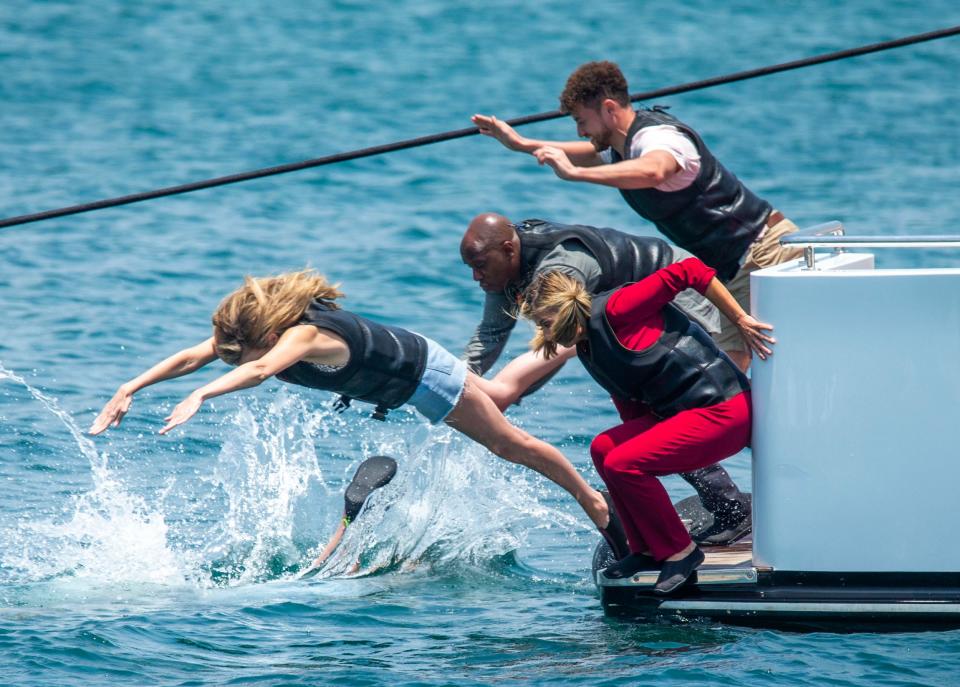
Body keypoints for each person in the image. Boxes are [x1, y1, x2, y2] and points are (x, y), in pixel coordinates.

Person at [87, 269, 628, 558]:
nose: (233, 356)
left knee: (509, 443)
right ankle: (569, 334)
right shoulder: (253, 334)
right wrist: (131, 385)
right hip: (411, 359)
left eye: (248, 351)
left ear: (270, 336)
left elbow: (257, 371)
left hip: (423, 378)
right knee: (499, 394)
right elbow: (197, 354)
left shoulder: (299, 336)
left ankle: (594, 503)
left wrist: (203, 396)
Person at [472, 60, 803, 372]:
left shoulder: (658, 139)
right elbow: (588, 154)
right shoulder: (622, 146)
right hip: (734, 264)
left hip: (762, 251)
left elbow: (655, 170)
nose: (579, 132)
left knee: (730, 367)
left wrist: (574, 174)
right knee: (723, 363)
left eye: (581, 120)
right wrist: (520, 143)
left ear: (609, 109)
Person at [461, 211, 752, 546]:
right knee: (637, 427)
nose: (475, 276)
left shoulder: (560, 267)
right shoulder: (501, 275)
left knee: (667, 418)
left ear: (509, 250)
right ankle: (705, 510)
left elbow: (563, 338)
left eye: (480, 265)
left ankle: (726, 506)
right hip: (619, 329)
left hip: (673, 292)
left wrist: (508, 391)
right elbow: (489, 337)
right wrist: (456, 386)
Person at [519, 257, 774, 594]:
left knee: (624, 463)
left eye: (545, 322)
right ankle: (647, 549)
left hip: (725, 410)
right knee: (605, 449)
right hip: (684, 414)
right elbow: (630, 410)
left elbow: (691, 271)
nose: (543, 333)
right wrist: (648, 452)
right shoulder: (589, 348)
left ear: (564, 311)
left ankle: (681, 552)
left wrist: (740, 320)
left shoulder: (617, 309)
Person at [301, 455, 398, 578]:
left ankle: (320, 564)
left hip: (351, 510)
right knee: (351, 529)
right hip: (356, 507)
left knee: (344, 527)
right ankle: (349, 564)